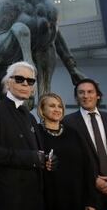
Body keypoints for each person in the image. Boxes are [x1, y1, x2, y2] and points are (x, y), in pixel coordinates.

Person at [0, 61, 50, 210]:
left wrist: (46, 161)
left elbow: (37, 154)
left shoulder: (31, 117)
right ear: (8, 83)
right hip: (8, 197)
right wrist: (31, 157)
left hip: (34, 197)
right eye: (19, 79)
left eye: (30, 81)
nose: (25, 84)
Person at [37, 93, 96, 210]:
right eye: (52, 106)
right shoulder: (36, 133)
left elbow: (87, 167)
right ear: (42, 110)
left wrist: (90, 201)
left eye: (60, 106)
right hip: (47, 198)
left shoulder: (74, 133)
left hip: (76, 198)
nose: (57, 109)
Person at [64, 78, 107, 209]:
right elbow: (69, 160)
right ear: (76, 97)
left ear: (98, 95)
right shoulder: (67, 122)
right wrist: (94, 179)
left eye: (90, 92)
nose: (86, 96)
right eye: (81, 92)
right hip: (88, 193)